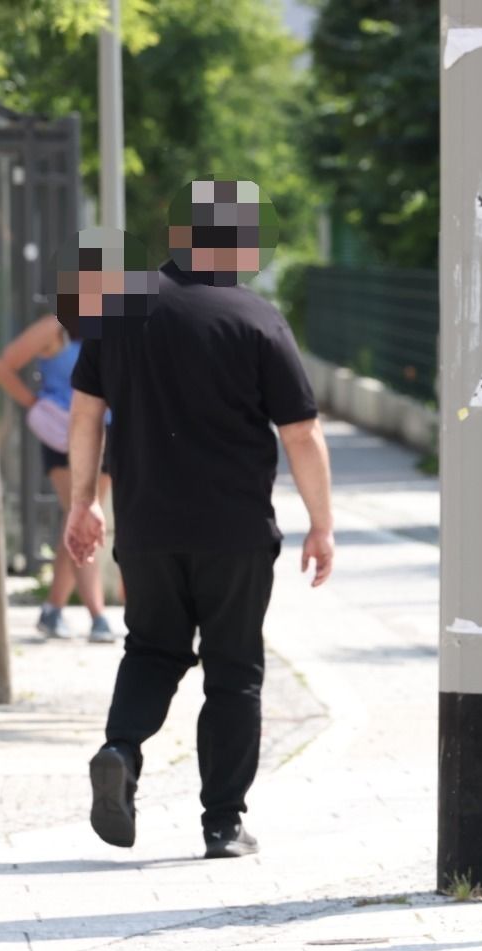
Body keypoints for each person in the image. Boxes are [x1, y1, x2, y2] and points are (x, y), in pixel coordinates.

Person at [63, 181, 335, 860]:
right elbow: (300, 433)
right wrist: (321, 523)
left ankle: (120, 748)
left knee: (152, 648)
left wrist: (83, 502)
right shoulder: (256, 318)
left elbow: (85, 412)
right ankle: (221, 823)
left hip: (147, 524)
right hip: (234, 530)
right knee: (233, 668)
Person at [0, 313, 115, 642]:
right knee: (82, 516)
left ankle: (52, 609)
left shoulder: (118, 324)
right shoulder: (54, 327)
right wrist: (37, 405)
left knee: (78, 521)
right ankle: (98, 615)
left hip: (108, 432)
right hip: (64, 436)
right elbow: (1, 366)